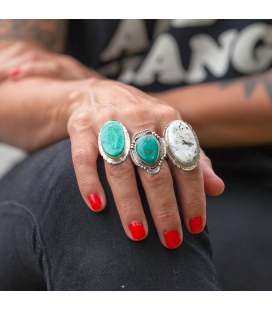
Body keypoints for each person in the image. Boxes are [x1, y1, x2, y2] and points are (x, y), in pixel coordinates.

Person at [0, 19, 271, 290]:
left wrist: (130, 104)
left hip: (245, 182)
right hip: (61, 175)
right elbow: (10, 78)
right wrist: (79, 98)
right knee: (107, 178)